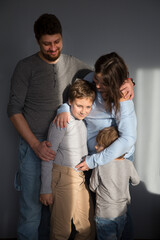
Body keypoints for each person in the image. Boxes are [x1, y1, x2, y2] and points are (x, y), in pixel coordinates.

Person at [7, 13, 93, 240]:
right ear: (37, 40)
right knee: (32, 212)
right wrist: (36, 145)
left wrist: (127, 81)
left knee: (58, 213)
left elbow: (102, 77)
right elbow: (13, 111)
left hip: (65, 153)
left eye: (57, 42)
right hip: (35, 147)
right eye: (47, 43)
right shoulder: (25, 67)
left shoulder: (74, 64)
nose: (53, 47)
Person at [55, 52, 136, 239]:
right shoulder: (90, 79)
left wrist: (95, 161)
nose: (97, 85)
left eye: (103, 83)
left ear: (116, 84)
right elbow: (76, 98)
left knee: (117, 208)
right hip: (92, 155)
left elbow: (128, 139)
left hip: (115, 156)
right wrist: (64, 109)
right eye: (96, 79)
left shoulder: (123, 99)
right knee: (96, 208)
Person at [40, 79, 96, 239]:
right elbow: (47, 156)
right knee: (61, 231)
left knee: (87, 228)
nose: (83, 111)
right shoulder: (62, 122)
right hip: (62, 177)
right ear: (70, 101)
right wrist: (45, 189)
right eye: (79, 106)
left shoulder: (82, 122)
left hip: (79, 178)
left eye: (88, 107)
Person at [89, 126, 140, 240]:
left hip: (104, 214)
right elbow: (136, 181)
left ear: (110, 149)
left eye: (100, 145)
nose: (95, 146)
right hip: (122, 213)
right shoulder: (128, 164)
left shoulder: (100, 165)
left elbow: (92, 187)